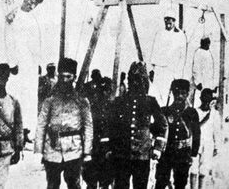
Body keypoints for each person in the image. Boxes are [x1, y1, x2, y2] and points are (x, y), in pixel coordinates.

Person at [108, 61, 168, 189]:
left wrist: (157, 148)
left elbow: (163, 125)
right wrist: (110, 148)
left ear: (144, 82)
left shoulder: (150, 102)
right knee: (120, 186)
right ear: (129, 81)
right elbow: (111, 126)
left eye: (139, 80)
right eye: (132, 79)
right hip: (122, 154)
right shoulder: (120, 102)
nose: (135, 83)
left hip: (142, 155)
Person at [35, 58, 93, 189]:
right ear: (57, 76)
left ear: (74, 77)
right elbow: (41, 124)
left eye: (68, 76)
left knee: (73, 184)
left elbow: (88, 126)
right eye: (62, 76)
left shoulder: (82, 101)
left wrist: (87, 152)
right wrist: (39, 150)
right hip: (52, 148)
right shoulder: (50, 101)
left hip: (74, 150)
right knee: (52, 185)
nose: (65, 80)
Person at [5, 0, 43, 140]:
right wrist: (12, 62)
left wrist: (38, 63)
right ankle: (14, 131)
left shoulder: (33, 19)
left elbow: (36, 44)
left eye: (35, 4)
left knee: (30, 98)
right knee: (16, 96)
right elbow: (9, 40)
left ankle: (27, 131)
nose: (32, 5)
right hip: (19, 64)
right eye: (30, 1)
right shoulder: (13, 16)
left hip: (31, 66)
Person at [155, 79, 200, 189]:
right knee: (160, 182)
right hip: (166, 153)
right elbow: (157, 131)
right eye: (177, 92)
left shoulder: (192, 113)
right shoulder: (164, 111)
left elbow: (197, 134)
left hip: (183, 154)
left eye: (183, 93)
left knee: (180, 184)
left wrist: (193, 154)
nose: (179, 96)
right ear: (172, 93)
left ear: (187, 94)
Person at [149, 10, 187, 106]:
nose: (168, 22)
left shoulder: (181, 36)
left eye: (171, 20)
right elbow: (154, 51)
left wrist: (178, 75)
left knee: (167, 96)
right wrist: (152, 69)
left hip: (171, 71)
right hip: (158, 70)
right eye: (166, 20)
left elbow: (182, 57)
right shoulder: (159, 33)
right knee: (154, 94)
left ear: (174, 21)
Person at [82, 77, 114, 189]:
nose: (105, 93)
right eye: (103, 89)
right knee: (92, 180)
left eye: (108, 90)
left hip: (107, 150)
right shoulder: (91, 107)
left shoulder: (113, 106)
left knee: (104, 180)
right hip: (94, 148)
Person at [190, 88, 222, 189]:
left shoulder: (215, 114)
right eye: (204, 99)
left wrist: (217, 146)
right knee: (193, 169)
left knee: (203, 170)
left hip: (208, 145)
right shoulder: (195, 112)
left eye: (209, 100)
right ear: (201, 98)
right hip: (195, 144)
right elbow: (192, 128)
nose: (206, 102)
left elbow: (216, 131)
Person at [190, 37, 215, 107]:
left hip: (208, 83)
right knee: (198, 102)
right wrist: (198, 82)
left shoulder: (208, 52)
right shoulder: (198, 52)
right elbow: (196, 69)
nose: (208, 45)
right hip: (200, 84)